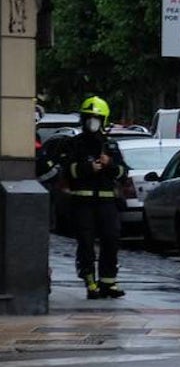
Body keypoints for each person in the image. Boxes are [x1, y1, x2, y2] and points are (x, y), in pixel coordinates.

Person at [63, 96, 128, 299]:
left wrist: (109, 165)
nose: (93, 122)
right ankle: (90, 282)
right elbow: (68, 171)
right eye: (89, 118)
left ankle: (109, 282)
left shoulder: (110, 145)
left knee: (111, 240)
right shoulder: (75, 144)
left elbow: (122, 173)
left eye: (97, 118)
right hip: (83, 203)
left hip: (107, 203)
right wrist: (88, 168)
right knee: (86, 243)